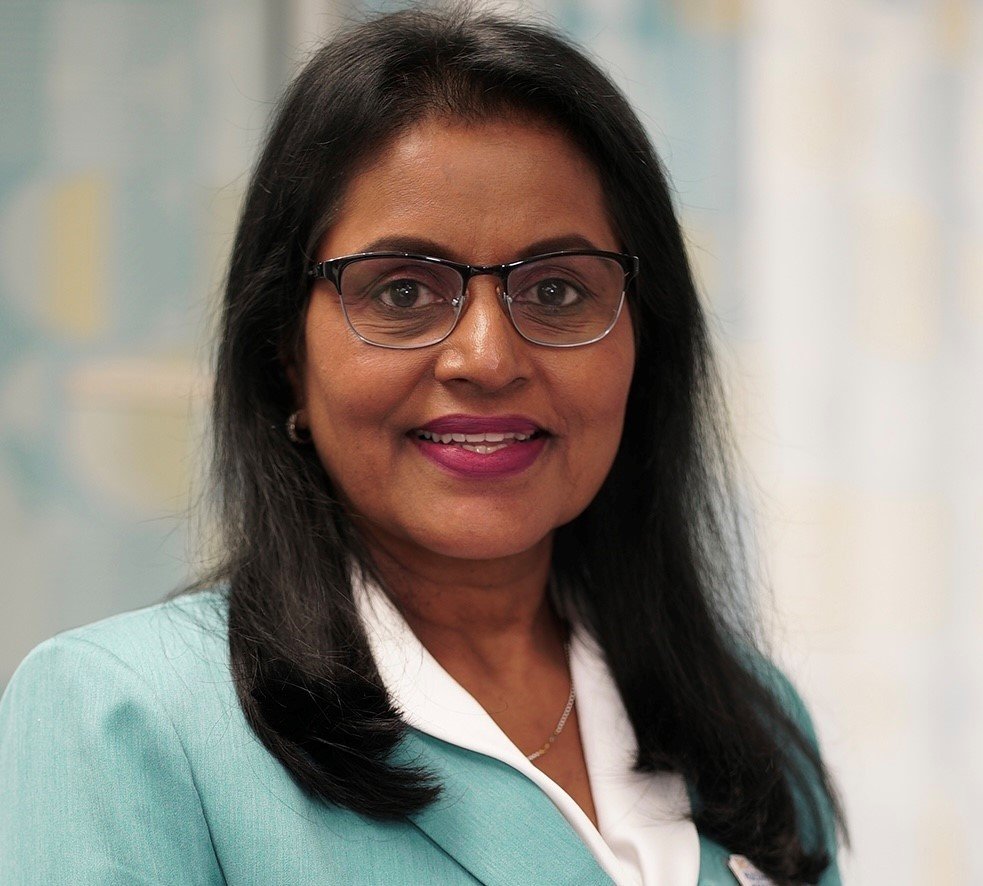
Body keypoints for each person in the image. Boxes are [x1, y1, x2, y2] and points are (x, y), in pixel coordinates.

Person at [0, 7, 845, 885]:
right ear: (284, 352)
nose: (487, 359)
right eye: (402, 291)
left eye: (556, 290)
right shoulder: (126, 715)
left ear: (643, 341)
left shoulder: (748, 721)